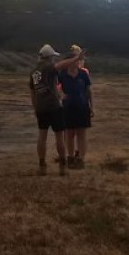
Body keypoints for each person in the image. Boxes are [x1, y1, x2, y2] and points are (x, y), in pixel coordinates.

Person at [29, 44, 84, 176]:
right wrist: (77, 58)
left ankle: (42, 164)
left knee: (42, 135)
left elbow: (32, 92)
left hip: (40, 107)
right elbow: (61, 65)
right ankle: (63, 165)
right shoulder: (48, 67)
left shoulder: (34, 72)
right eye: (53, 57)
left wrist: (35, 107)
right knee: (59, 136)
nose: (53, 59)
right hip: (53, 106)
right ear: (49, 57)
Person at [59, 45, 93, 169]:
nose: (77, 62)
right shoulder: (62, 74)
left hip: (82, 107)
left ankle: (80, 159)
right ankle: (70, 157)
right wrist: (60, 94)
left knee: (81, 134)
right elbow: (54, 86)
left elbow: (89, 91)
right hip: (68, 108)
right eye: (75, 60)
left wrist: (91, 106)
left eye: (78, 60)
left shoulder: (83, 74)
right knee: (69, 134)